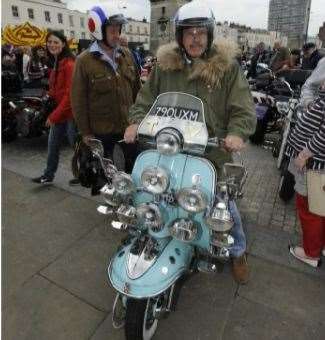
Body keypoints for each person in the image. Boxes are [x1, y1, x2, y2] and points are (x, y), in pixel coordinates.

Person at [123, 2, 256, 284]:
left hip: (211, 152)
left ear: (208, 35)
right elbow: (145, 99)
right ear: (180, 37)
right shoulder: (165, 67)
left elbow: (242, 107)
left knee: (224, 205)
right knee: (153, 191)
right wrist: (136, 121)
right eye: (188, 32)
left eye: (200, 32)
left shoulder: (227, 69)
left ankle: (238, 251)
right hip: (169, 149)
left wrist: (237, 132)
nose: (195, 38)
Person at [71, 4, 141, 173]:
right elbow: (78, 100)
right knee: (108, 180)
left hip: (129, 132)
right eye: (112, 30)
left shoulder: (127, 55)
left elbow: (138, 92)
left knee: (134, 173)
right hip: (103, 135)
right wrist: (86, 134)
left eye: (119, 29)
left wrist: (139, 122)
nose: (117, 35)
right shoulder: (84, 61)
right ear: (97, 29)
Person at [286, 83, 325, 267]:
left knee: (311, 208)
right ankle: (318, 246)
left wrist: (304, 154)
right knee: (318, 207)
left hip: (314, 164)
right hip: (314, 162)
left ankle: (311, 253)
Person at [32, 31, 77, 185]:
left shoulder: (69, 63)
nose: (52, 44)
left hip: (71, 113)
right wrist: (49, 95)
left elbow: (70, 95)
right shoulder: (58, 61)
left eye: (55, 42)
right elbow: (57, 89)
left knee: (77, 147)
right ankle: (48, 175)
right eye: (49, 42)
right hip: (61, 111)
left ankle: (85, 174)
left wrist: (53, 116)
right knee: (52, 145)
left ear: (63, 44)